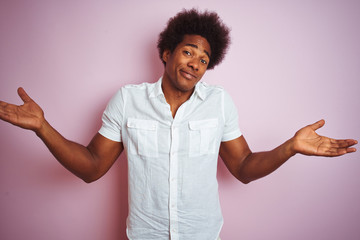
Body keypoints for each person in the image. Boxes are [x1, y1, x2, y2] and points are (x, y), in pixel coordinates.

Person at [0, 8, 357, 240]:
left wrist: (290, 147)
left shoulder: (219, 103)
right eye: (188, 51)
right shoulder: (128, 100)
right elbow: (92, 167)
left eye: (204, 59)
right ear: (168, 52)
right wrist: (42, 127)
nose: (195, 64)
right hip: (145, 235)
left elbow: (244, 168)